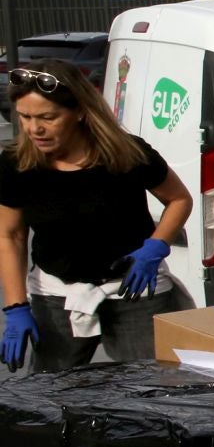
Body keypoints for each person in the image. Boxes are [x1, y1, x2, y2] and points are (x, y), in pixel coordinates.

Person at [1, 60, 194, 372]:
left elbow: (179, 199)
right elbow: (10, 235)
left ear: (79, 112)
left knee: (151, 389)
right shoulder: (17, 165)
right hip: (58, 294)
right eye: (25, 117)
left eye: (48, 118)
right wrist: (15, 306)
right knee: (51, 395)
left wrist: (156, 247)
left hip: (134, 289)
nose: (34, 128)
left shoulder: (128, 154)